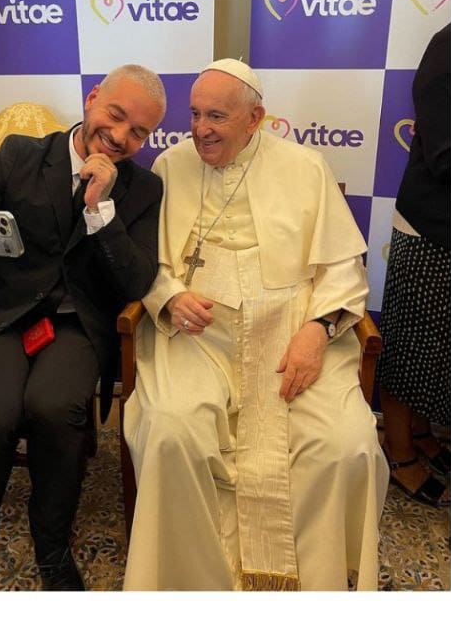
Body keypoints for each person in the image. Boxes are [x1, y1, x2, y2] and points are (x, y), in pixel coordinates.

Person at [124, 59, 388, 590]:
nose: (200, 129)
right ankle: (190, 584)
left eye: (216, 116)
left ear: (255, 118)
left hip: (291, 328)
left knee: (346, 441)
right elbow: (141, 260)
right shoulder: (170, 166)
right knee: (172, 427)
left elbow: (343, 268)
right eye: (195, 114)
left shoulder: (305, 167)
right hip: (197, 333)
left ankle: (316, 585)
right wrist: (170, 296)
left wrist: (318, 330)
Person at [0, 64, 167, 590]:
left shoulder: (143, 189)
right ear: (93, 98)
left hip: (77, 324)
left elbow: (138, 280)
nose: (120, 136)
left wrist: (102, 207)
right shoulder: (20, 155)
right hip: (2, 315)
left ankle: (52, 545)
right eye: (115, 115)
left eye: (138, 131)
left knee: (56, 409)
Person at [377, 23, 451, 506]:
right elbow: (447, 156)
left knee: (441, 350)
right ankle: (398, 449)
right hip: (431, 225)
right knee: (411, 348)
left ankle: (422, 434)